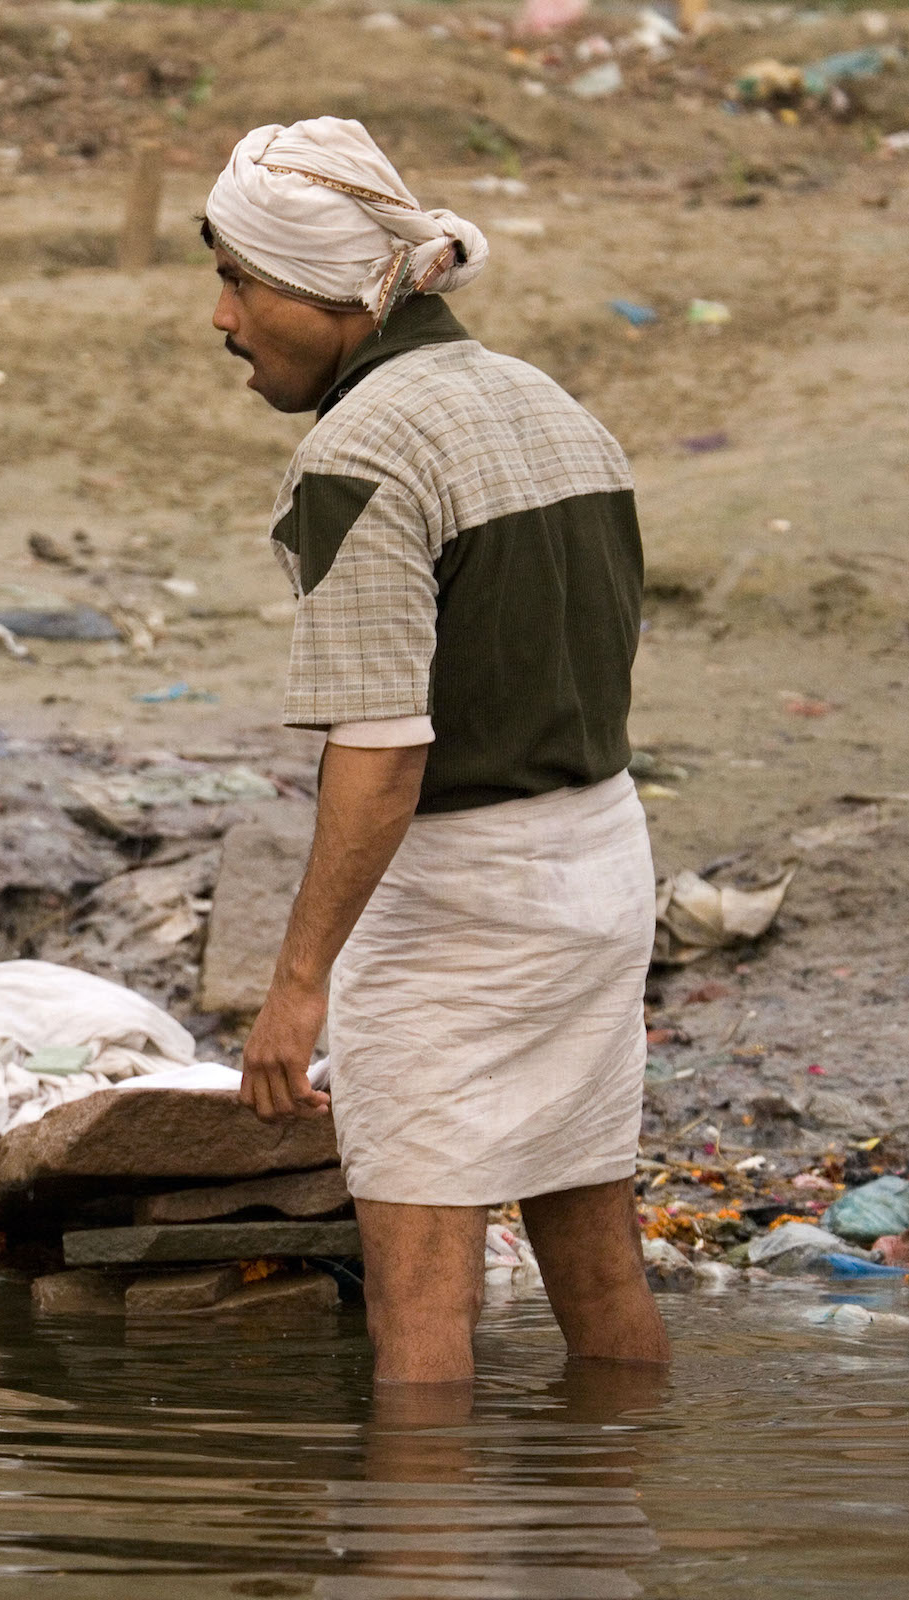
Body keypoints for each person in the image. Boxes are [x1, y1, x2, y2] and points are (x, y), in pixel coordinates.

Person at [207, 118, 668, 1384]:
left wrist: (297, 986)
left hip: (458, 905)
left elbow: (384, 750)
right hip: (602, 866)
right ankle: (607, 1548)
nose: (223, 317)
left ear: (331, 294)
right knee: (600, 1261)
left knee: (419, 1316)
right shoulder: (550, 408)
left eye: (240, 279)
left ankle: (419, 1555)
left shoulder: (357, 453)